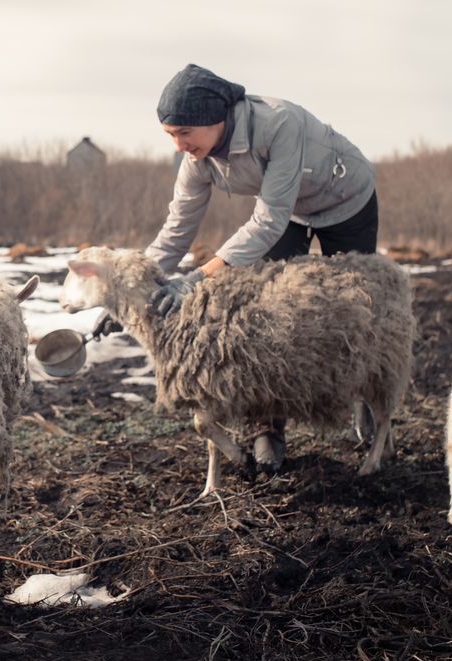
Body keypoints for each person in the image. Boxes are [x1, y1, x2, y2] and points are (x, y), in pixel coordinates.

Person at [93, 62, 378, 473]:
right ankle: (268, 424)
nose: (178, 146)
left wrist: (198, 277)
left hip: (344, 201)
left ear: (216, 119)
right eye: (171, 136)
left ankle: (368, 395)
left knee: (358, 304)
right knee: (268, 314)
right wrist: (125, 295)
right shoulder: (198, 157)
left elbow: (268, 219)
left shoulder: (280, 123)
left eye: (183, 134)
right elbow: (177, 228)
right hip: (292, 212)